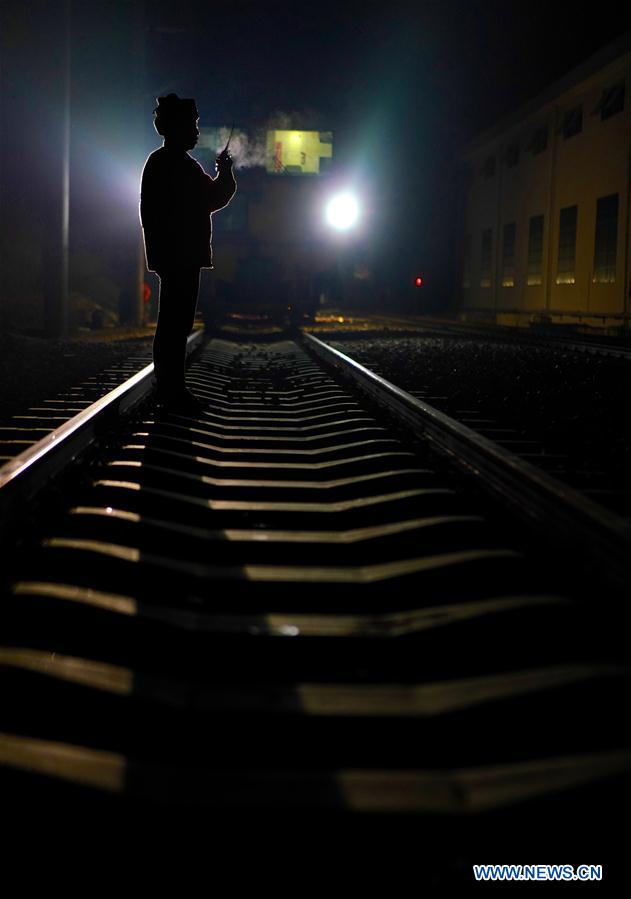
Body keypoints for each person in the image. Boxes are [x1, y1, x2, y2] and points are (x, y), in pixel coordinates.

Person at [140, 93, 236, 411]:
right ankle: (173, 391)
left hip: (169, 255)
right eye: (192, 125)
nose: (196, 131)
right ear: (177, 127)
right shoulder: (182, 167)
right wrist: (226, 173)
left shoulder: (159, 162)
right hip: (182, 255)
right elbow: (213, 198)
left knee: (171, 322)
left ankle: (168, 387)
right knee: (176, 324)